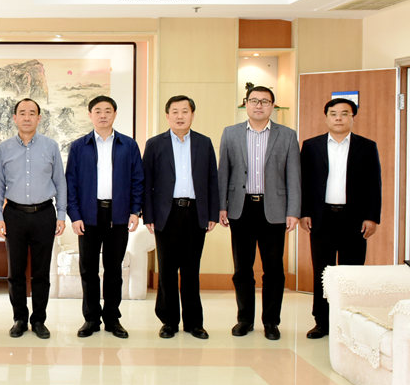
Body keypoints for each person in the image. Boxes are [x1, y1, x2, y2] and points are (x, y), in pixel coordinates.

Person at [218, 86, 300, 341]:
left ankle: (271, 322)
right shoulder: (231, 133)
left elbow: (294, 175)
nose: (259, 105)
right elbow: (223, 172)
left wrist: (293, 211)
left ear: (272, 106)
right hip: (241, 208)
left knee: (274, 269)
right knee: (242, 268)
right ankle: (244, 319)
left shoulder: (287, 135)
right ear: (246, 104)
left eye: (265, 101)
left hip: (274, 210)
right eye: (254, 100)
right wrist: (221, 205)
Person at [300, 97, 381, 339]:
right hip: (321, 217)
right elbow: (304, 182)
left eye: (345, 114)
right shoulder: (311, 146)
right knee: (322, 272)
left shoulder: (366, 147)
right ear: (326, 117)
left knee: (351, 273)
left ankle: (349, 323)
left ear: (352, 118)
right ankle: (322, 322)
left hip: (354, 219)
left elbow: (374, 184)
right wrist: (304, 212)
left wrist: (372, 217)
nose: (338, 118)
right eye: (333, 113)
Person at [65, 95, 143, 339]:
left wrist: (135, 210)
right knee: (88, 269)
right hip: (88, 215)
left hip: (118, 214)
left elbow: (137, 180)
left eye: (107, 110)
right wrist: (74, 215)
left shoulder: (128, 145)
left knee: (113, 269)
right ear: (90, 115)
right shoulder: (79, 146)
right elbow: (71, 183)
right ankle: (91, 319)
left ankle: (112, 318)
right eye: (97, 111)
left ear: (115, 114)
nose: (102, 115)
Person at [142, 95, 219, 340]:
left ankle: (194, 323)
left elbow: (212, 179)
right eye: (174, 111)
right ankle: (169, 322)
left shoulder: (204, 143)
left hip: (195, 213)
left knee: (191, 269)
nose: (180, 116)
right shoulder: (155, 144)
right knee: (166, 270)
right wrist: (148, 215)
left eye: (185, 111)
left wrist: (213, 213)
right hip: (166, 214)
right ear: (167, 116)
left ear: (192, 115)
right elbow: (146, 182)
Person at [0, 98, 67, 339]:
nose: (27, 117)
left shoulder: (50, 146)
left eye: (32, 113)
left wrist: (61, 214)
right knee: (15, 272)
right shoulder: (4, 149)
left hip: (44, 214)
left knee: (41, 273)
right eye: (22, 113)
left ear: (39, 118)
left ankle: (39, 320)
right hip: (13, 215)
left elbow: (60, 182)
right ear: (15, 118)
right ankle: (20, 319)